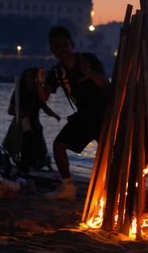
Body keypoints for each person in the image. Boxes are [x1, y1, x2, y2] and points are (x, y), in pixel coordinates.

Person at [36, 26, 110, 200]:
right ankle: (68, 188)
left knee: (110, 155)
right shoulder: (57, 72)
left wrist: (89, 72)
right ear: (52, 50)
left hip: (104, 114)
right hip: (84, 116)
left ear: (72, 44)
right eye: (57, 46)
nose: (62, 49)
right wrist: (38, 81)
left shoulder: (88, 59)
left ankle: (113, 190)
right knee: (59, 145)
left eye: (64, 44)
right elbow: (44, 97)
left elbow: (106, 84)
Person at [3, 68, 60, 173]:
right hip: (20, 124)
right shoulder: (19, 92)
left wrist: (55, 115)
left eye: (32, 77)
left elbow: (44, 107)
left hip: (34, 124)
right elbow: (10, 110)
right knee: (19, 147)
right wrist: (20, 114)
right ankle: (22, 168)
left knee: (36, 149)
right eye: (28, 76)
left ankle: (30, 167)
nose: (30, 79)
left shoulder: (38, 92)